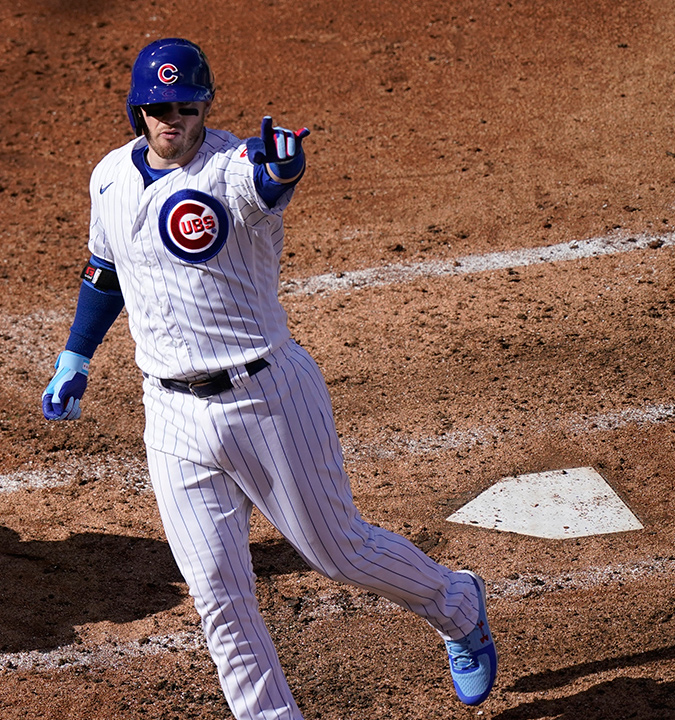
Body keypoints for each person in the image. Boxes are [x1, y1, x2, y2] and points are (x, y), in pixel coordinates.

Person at [40, 39, 497, 716]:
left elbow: (264, 186)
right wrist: (76, 357)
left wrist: (284, 169)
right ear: (136, 109)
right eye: (158, 106)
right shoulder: (108, 176)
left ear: (204, 107)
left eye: (186, 106)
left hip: (267, 397)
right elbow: (104, 269)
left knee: (337, 552)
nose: (173, 119)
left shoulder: (229, 170)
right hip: (169, 414)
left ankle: (456, 603)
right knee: (217, 595)